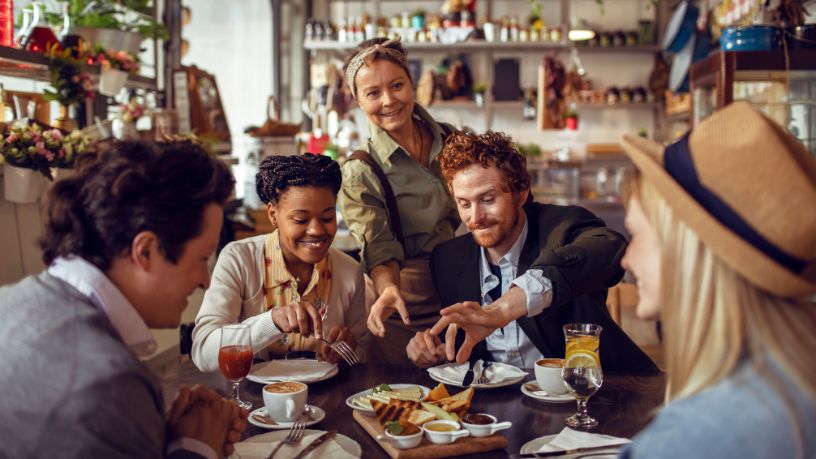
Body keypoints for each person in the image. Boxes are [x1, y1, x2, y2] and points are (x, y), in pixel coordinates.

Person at [0, 140, 247, 458]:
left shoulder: (9, 302)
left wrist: (156, 436)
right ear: (145, 251)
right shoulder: (108, 383)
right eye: (201, 259)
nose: (205, 280)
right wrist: (195, 449)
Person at [616, 103, 816, 457]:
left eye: (636, 233)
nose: (626, 258)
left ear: (685, 246)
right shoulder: (796, 370)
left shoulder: (693, 439)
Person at [406, 130, 657, 374]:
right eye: (464, 203)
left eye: (488, 199)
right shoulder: (447, 260)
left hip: (593, 395)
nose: (476, 217)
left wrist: (507, 305)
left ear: (521, 192)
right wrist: (432, 352)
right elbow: (467, 345)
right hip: (498, 408)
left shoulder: (562, 227)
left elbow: (609, 247)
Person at [338, 37, 460, 363]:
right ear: (358, 100)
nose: (389, 100)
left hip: (459, 297)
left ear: (412, 84)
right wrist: (389, 289)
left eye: (397, 85)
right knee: (401, 401)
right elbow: (378, 245)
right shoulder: (361, 169)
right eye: (373, 93)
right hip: (402, 306)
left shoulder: (452, 140)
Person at [192, 154, 368, 370]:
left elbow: (364, 354)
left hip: (326, 399)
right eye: (301, 220)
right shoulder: (238, 260)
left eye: (327, 218)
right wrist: (273, 322)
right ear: (273, 215)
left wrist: (346, 349)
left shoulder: (349, 271)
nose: (316, 230)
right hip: (251, 401)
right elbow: (204, 353)